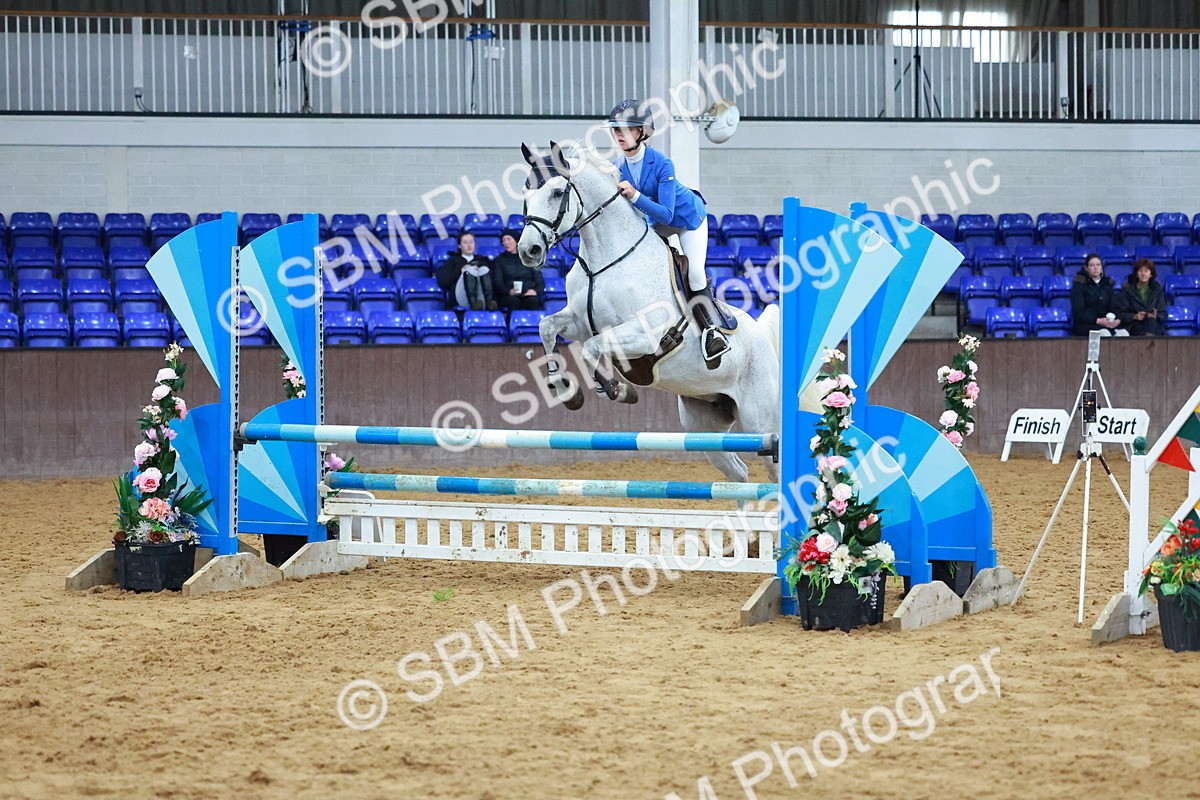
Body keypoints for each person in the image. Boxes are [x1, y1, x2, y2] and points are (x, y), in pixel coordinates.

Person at [607, 98, 730, 365]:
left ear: (641, 132)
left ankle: (712, 330)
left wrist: (635, 194)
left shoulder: (662, 163)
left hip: (687, 219)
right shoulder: (617, 167)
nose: (619, 135)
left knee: (695, 271)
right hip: (655, 223)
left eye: (626, 129)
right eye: (616, 130)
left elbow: (667, 214)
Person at [435, 231, 497, 311]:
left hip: (481, 296)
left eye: (471, 242)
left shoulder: (483, 260)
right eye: (465, 242)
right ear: (459, 246)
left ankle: (489, 303)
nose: (469, 245)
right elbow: (443, 281)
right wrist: (460, 271)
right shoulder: (452, 261)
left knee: (484, 269)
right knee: (470, 270)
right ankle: (473, 304)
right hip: (461, 296)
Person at [1070, 253, 1128, 337]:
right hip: (1087, 325)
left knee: (1123, 333)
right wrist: (1098, 320)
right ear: (1086, 268)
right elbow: (1079, 312)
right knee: (1105, 334)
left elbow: (1115, 306)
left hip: (1107, 323)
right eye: (1091, 265)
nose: (1095, 268)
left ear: (1102, 267)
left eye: (1098, 265)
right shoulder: (1079, 285)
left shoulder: (1107, 284)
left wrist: (1117, 319)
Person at [492, 229, 544, 312]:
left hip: (528, 292)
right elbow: (498, 283)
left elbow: (539, 280)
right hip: (509, 295)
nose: (506, 242)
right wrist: (509, 291)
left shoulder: (528, 258)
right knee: (513, 301)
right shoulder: (499, 260)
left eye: (508, 239)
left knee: (533, 301)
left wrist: (535, 291)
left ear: (516, 241)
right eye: (503, 240)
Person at [1118, 257, 1167, 336]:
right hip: (1135, 325)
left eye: (1146, 271)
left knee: (1152, 322)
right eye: (1141, 271)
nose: (1143, 273)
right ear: (1137, 274)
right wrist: (1135, 316)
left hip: (1153, 324)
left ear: (1151, 274)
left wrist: (1155, 315)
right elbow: (1122, 313)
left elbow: (1163, 314)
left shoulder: (1157, 290)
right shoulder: (1127, 290)